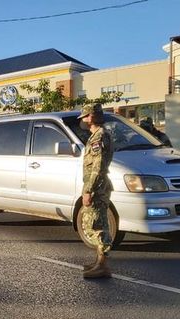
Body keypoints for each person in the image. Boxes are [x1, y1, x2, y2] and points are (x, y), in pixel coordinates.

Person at [78, 103, 114, 279]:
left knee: (97, 226)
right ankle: (99, 262)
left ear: (90, 117)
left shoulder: (99, 137)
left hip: (97, 188)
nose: (83, 121)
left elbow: (98, 167)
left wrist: (89, 190)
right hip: (98, 186)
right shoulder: (97, 136)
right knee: (97, 223)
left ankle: (103, 266)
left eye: (84, 117)